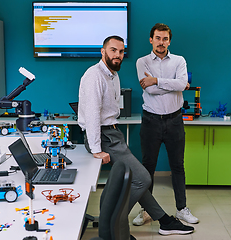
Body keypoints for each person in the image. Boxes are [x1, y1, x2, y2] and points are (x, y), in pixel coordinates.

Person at [78, 35, 194, 236]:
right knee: (142, 178)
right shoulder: (94, 75)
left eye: (121, 51)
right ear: (103, 51)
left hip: (113, 134)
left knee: (137, 177)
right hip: (105, 137)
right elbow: (92, 115)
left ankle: (165, 221)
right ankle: (112, 224)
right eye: (113, 50)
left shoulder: (112, 74)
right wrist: (97, 149)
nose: (118, 55)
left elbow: (181, 84)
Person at [133, 23, 199, 226]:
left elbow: (182, 84)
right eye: (158, 38)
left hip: (174, 120)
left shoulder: (179, 60)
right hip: (151, 121)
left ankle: (182, 209)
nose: (161, 42)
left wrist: (157, 81)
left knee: (178, 167)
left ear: (169, 41)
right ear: (151, 39)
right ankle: (146, 211)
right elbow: (151, 90)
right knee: (147, 168)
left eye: (165, 39)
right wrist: (174, 85)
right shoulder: (142, 62)